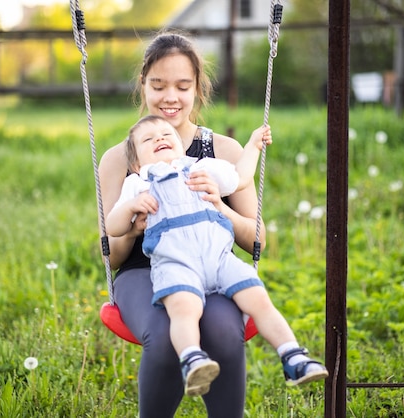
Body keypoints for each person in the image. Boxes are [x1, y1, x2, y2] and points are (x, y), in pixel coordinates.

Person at [98, 30, 324, 418]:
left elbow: (257, 240)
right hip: (144, 270)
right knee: (167, 336)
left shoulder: (221, 152)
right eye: (159, 85)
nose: (171, 97)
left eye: (183, 86)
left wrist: (220, 206)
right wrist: (133, 226)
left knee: (222, 329)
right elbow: (113, 253)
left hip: (212, 263)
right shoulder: (123, 159)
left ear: (198, 89)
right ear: (143, 86)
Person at [106, 114, 328, 397]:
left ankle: (293, 356)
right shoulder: (138, 183)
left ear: (182, 147)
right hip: (176, 265)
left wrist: (253, 145)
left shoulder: (204, 168)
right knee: (184, 308)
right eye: (148, 139)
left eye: (166, 135)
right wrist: (131, 208)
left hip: (220, 259)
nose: (160, 138)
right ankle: (192, 359)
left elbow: (241, 178)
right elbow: (113, 226)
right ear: (136, 164)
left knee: (258, 299)